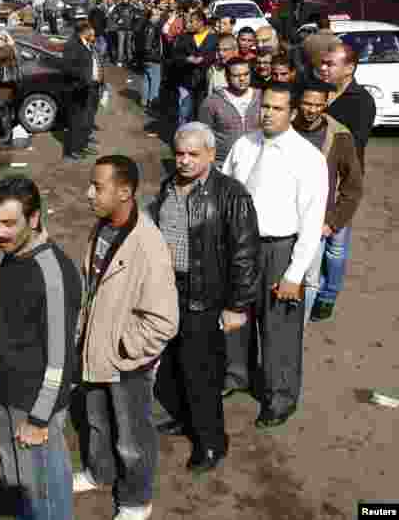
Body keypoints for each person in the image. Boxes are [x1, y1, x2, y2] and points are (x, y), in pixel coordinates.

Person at [74, 155, 178, 520]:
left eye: (97, 187)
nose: (89, 194)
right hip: (95, 350)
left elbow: (164, 321)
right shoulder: (101, 227)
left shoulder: (148, 245)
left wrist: (125, 349)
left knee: (132, 438)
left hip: (126, 363)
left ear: (125, 192)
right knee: (97, 421)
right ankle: (100, 472)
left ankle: (136, 501)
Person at [151, 123, 259, 473]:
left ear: (211, 155)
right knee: (172, 364)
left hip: (205, 296)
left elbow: (245, 254)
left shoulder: (231, 194)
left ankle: (211, 442)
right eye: (179, 153)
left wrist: (237, 305)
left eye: (193, 154)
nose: (184, 160)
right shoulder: (168, 186)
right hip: (169, 292)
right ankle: (184, 418)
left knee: (202, 372)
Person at [221, 84, 329, 426]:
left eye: (277, 108)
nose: (268, 113)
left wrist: (294, 274)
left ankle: (280, 397)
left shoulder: (307, 158)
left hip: (280, 249)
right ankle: (236, 374)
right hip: (241, 245)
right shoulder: (244, 144)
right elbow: (225, 190)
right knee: (237, 312)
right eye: (265, 106)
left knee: (279, 327)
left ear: (293, 112)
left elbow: (312, 222)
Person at [0, 176, 81, 520]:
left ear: (35, 218)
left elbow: (60, 357)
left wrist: (39, 419)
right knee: (20, 488)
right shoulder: (13, 254)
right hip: (7, 393)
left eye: (9, 223)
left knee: (44, 492)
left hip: (34, 406)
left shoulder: (52, 273)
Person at [292, 81, 363, 323]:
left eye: (317, 105)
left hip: (316, 221)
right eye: (306, 104)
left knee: (310, 280)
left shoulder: (339, 136)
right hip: (284, 219)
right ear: (298, 102)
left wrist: (332, 223)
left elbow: (353, 187)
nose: (311, 110)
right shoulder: (285, 128)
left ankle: (299, 331)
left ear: (326, 104)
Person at [319, 40, 376, 169]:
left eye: (330, 64)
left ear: (349, 69)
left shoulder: (362, 101)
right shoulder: (317, 91)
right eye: (322, 63)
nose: (323, 68)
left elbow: (356, 145)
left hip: (342, 172)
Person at [198, 57, 262, 168]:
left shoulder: (261, 97)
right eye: (236, 75)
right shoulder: (212, 102)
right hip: (223, 164)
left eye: (246, 74)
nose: (242, 79)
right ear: (226, 77)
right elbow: (203, 135)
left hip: (255, 160)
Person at [170, 10, 218, 126]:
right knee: (184, 111)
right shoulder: (184, 37)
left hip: (204, 82)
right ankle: (182, 133)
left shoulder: (213, 38)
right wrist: (187, 59)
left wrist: (204, 59)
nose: (188, 24)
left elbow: (215, 56)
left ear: (201, 22)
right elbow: (175, 56)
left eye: (192, 22)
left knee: (201, 112)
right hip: (186, 80)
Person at [60, 21, 97, 163]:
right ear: (84, 32)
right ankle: (71, 151)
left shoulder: (85, 43)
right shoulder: (72, 45)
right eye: (90, 31)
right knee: (75, 121)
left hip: (85, 88)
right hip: (76, 89)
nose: (93, 34)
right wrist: (84, 76)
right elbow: (68, 67)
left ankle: (80, 146)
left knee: (83, 120)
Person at [137, 8, 164, 112]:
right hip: (152, 58)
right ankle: (152, 102)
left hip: (146, 57)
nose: (158, 16)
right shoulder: (151, 27)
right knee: (154, 80)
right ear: (151, 16)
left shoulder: (145, 25)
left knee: (147, 79)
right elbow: (148, 45)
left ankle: (144, 101)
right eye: (156, 14)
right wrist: (154, 55)